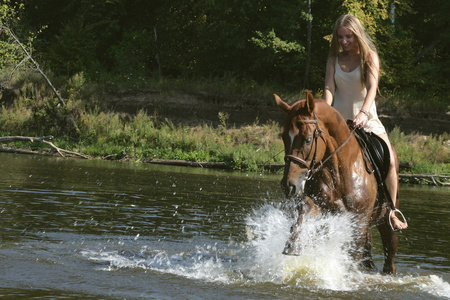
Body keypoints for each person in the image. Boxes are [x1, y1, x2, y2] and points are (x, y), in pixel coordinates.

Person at [323, 14, 408, 231]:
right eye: (340, 37)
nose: (344, 41)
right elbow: (330, 88)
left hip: (366, 118)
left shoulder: (370, 56)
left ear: (356, 34)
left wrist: (363, 113)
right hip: (339, 120)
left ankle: (391, 211)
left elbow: (372, 88)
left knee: (389, 161)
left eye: (348, 37)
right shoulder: (333, 58)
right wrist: (326, 111)